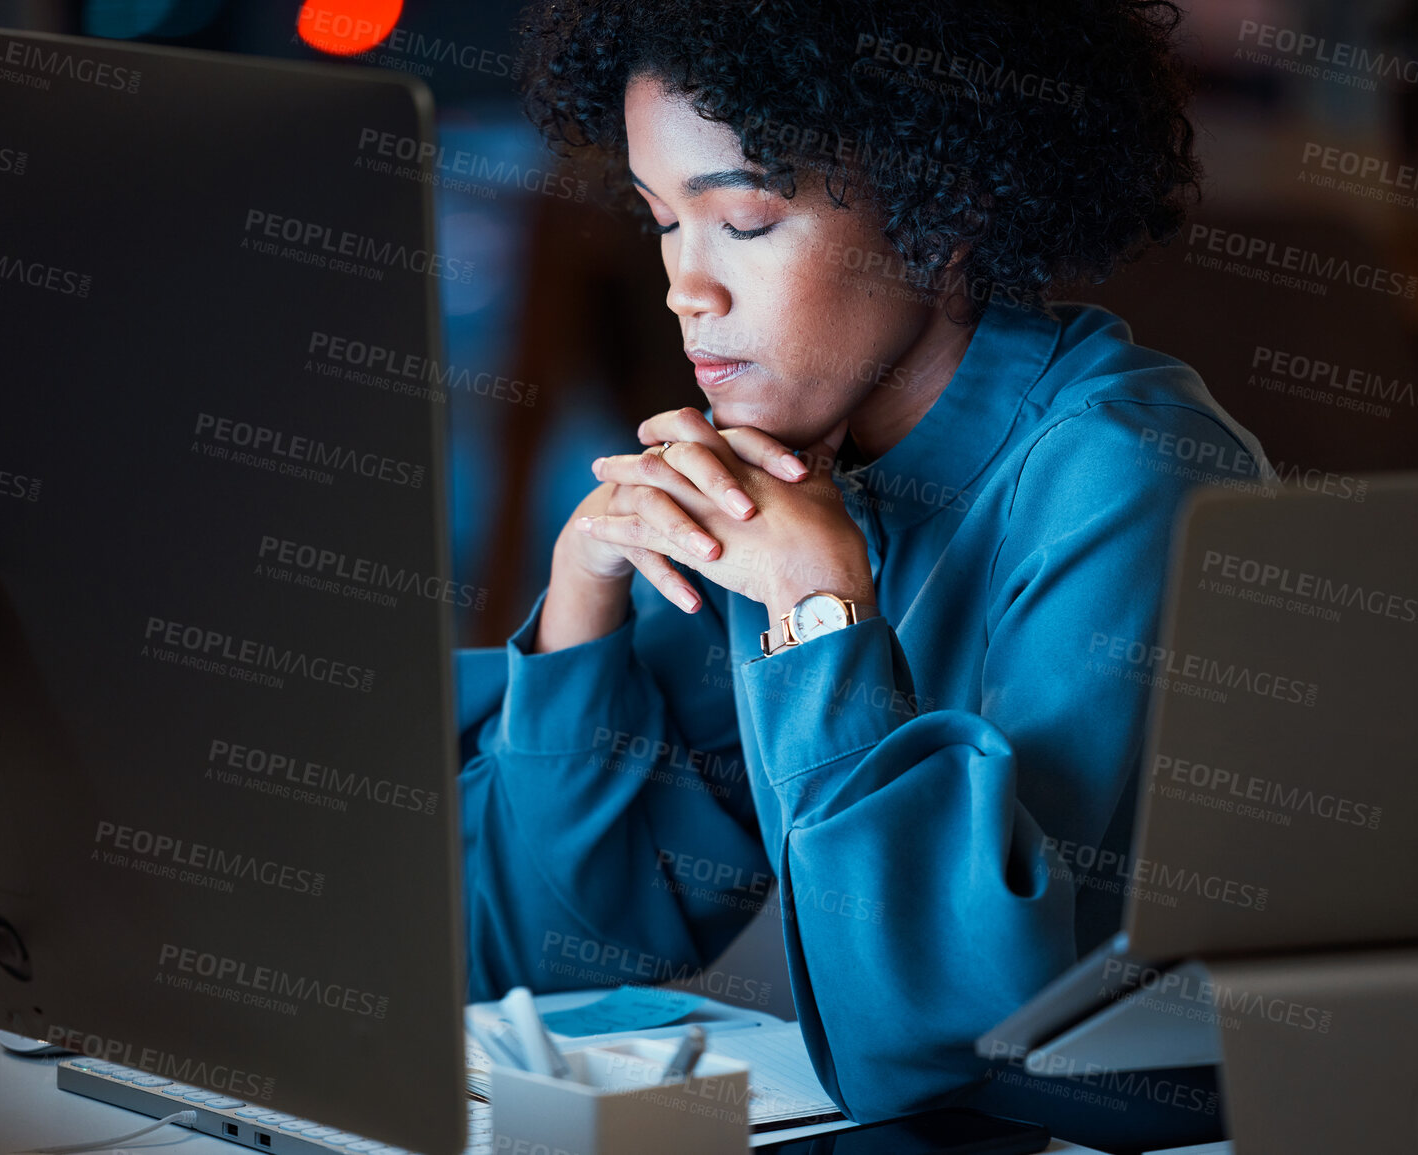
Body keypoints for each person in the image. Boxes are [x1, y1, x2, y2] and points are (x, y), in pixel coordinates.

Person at [456, 1, 1266, 1147]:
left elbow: (944, 1037)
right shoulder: (791, 476)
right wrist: (582, 612)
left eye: (742, 220)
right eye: (659, 222)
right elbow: (544, 971)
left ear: (945, 212)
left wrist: (817, 613)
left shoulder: (1128, 480)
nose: (688, 288)